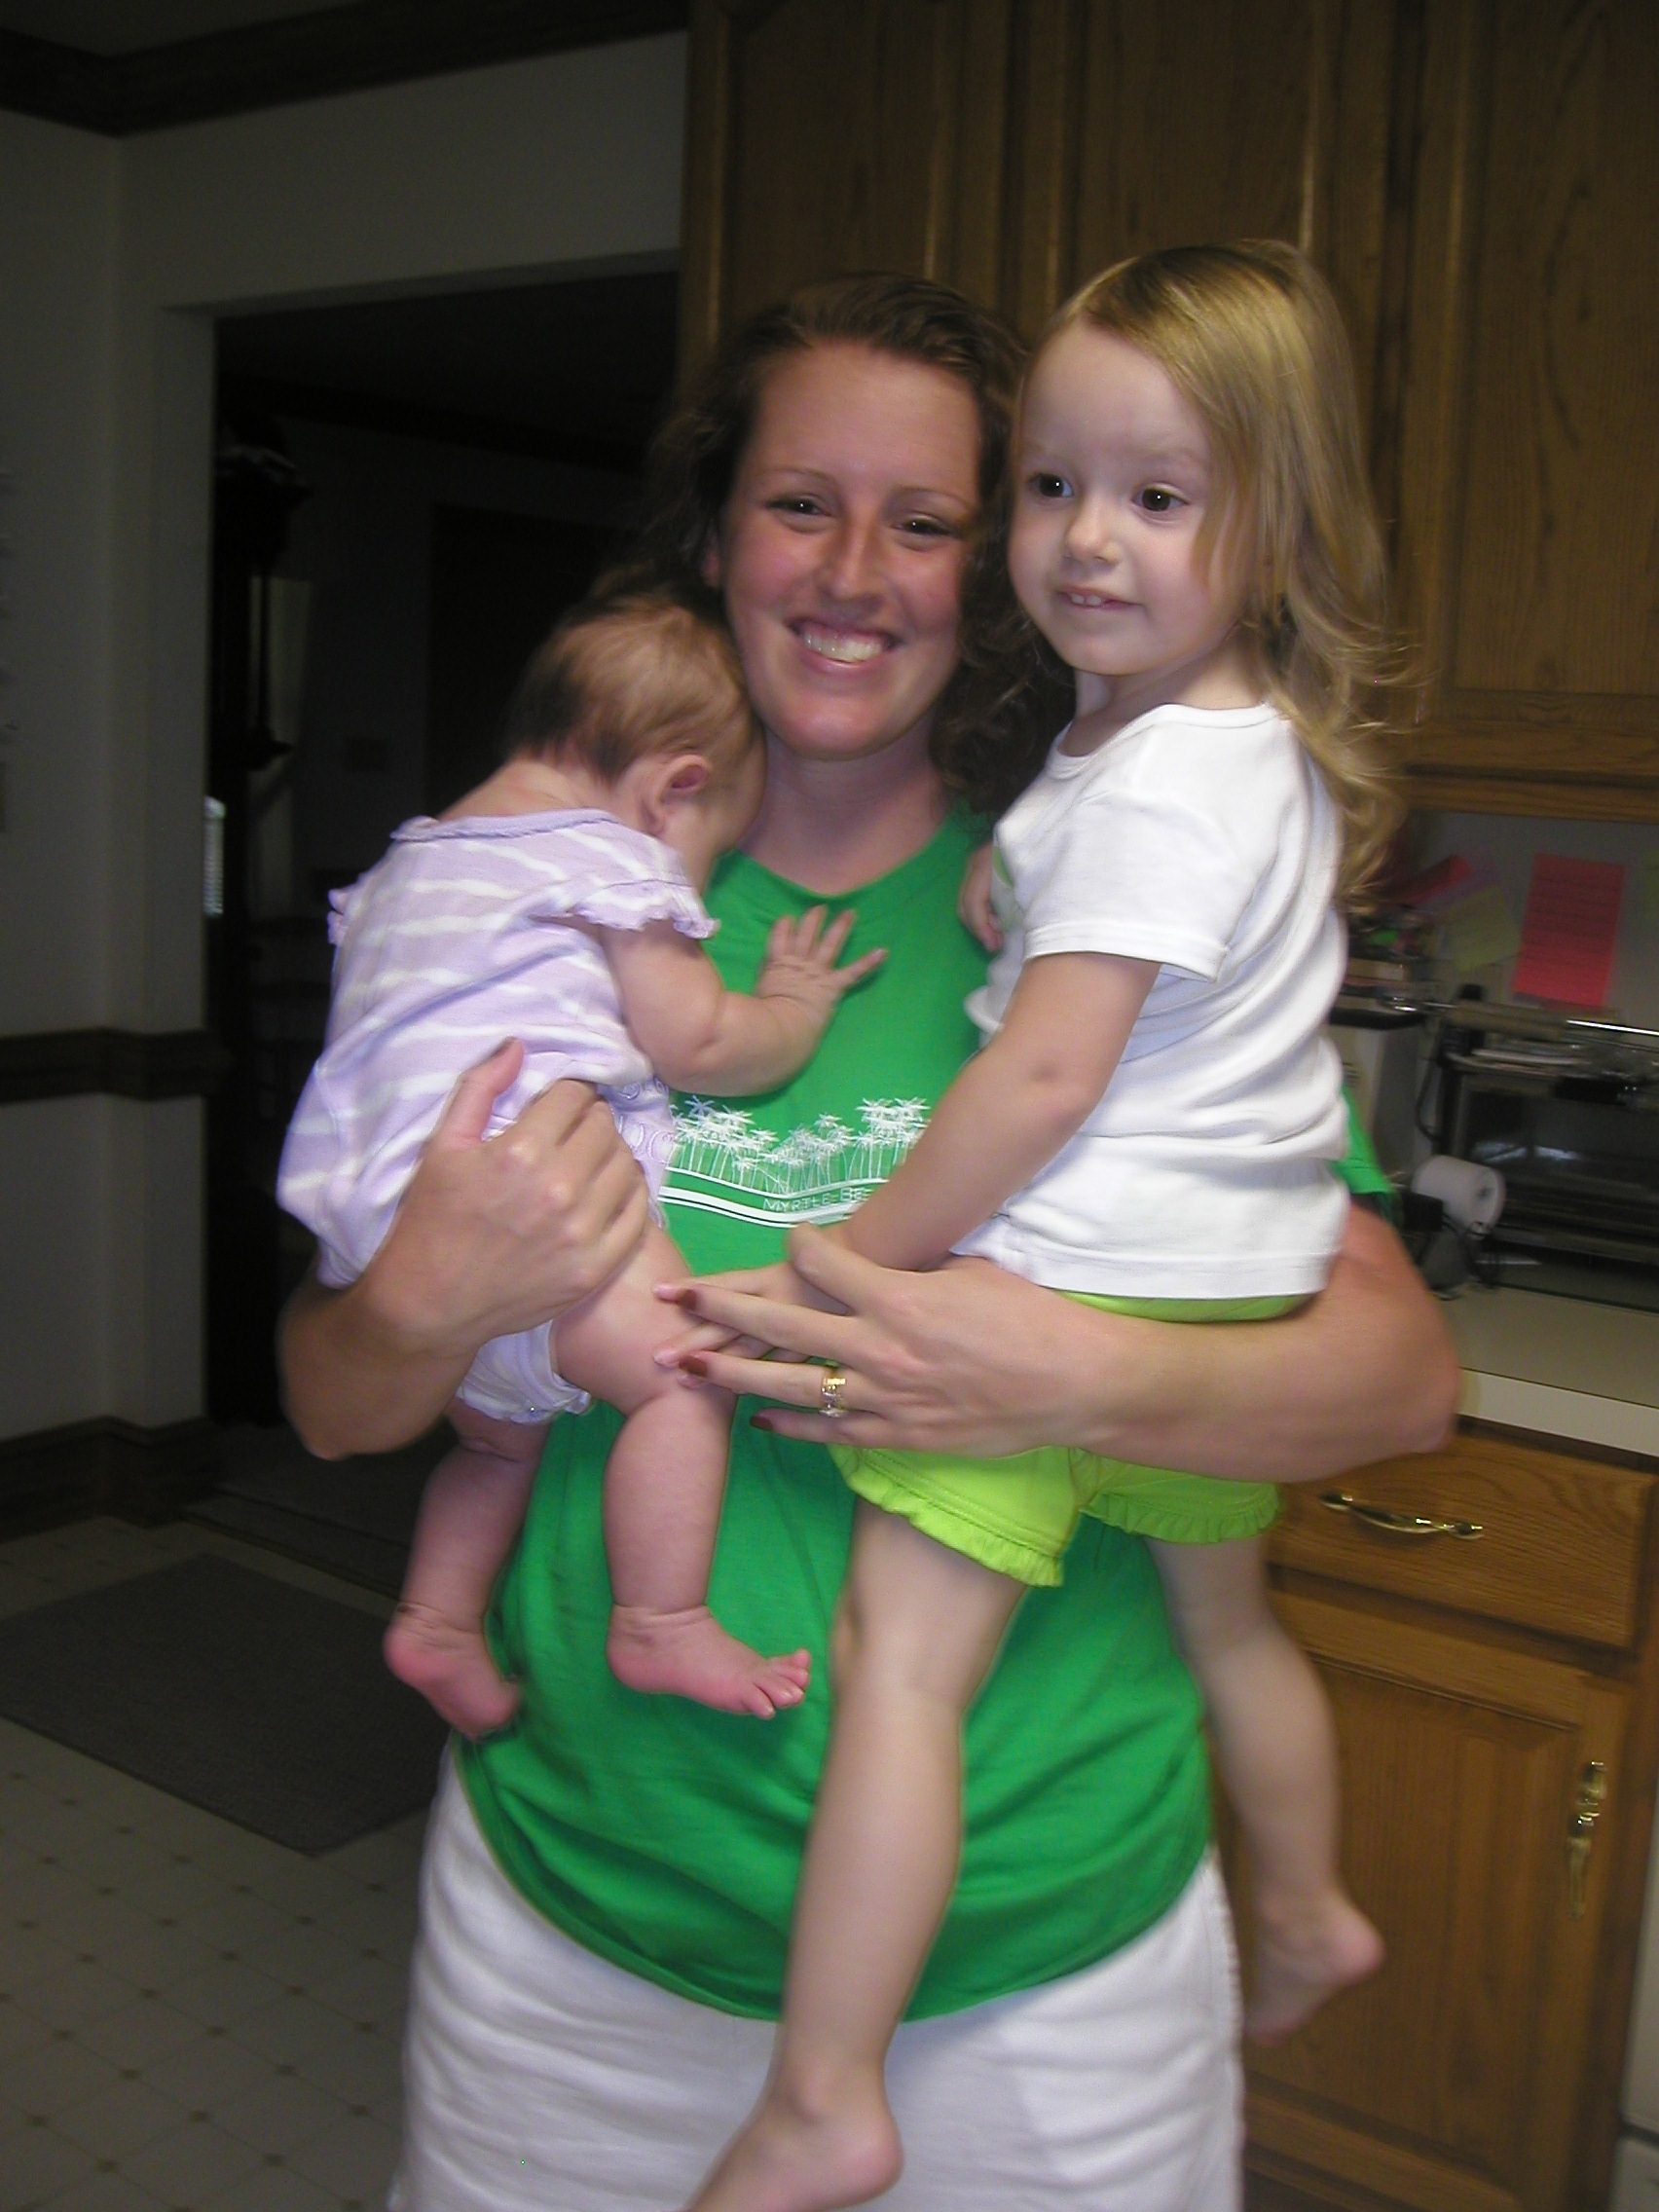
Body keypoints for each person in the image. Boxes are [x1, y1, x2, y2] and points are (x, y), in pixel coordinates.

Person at [279, 274, 1459, 2212]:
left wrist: (1057, 1369)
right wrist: (421, 1294)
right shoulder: (535, 901)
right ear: (714, 532)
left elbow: (1401, 1381)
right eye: (797, 504)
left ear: (984, 568)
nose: (851, 574)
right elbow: (334, 1406)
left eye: (920, 520)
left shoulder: (1099, 898)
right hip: (580, 1936)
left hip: (1035, 1976)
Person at [682, 243, 1389, 2212]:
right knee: (1227, 1619)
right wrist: (1020, 867)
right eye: (1055, 485)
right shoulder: (1187, 751)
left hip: (1091, 1270)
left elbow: (1043, 1081)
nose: (1086, 538)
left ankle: (825, 2091)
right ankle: (1306, 1901)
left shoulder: (1152, 784)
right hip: (1222, 1276)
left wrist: (855, 1265)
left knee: (902, 1659)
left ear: (1272, 525)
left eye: (1157, 496)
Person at [277, 593, 881, 1737]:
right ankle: (659, 1619)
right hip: (527, 1185)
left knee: (500, 1439)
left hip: (389, 1219)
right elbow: (699, 1041)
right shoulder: (606, 861)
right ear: (673, 791)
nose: (696, 875)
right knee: (682, 1376)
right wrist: (795, 1005)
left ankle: (439, 1617)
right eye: (710, 848)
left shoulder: (406, 867)